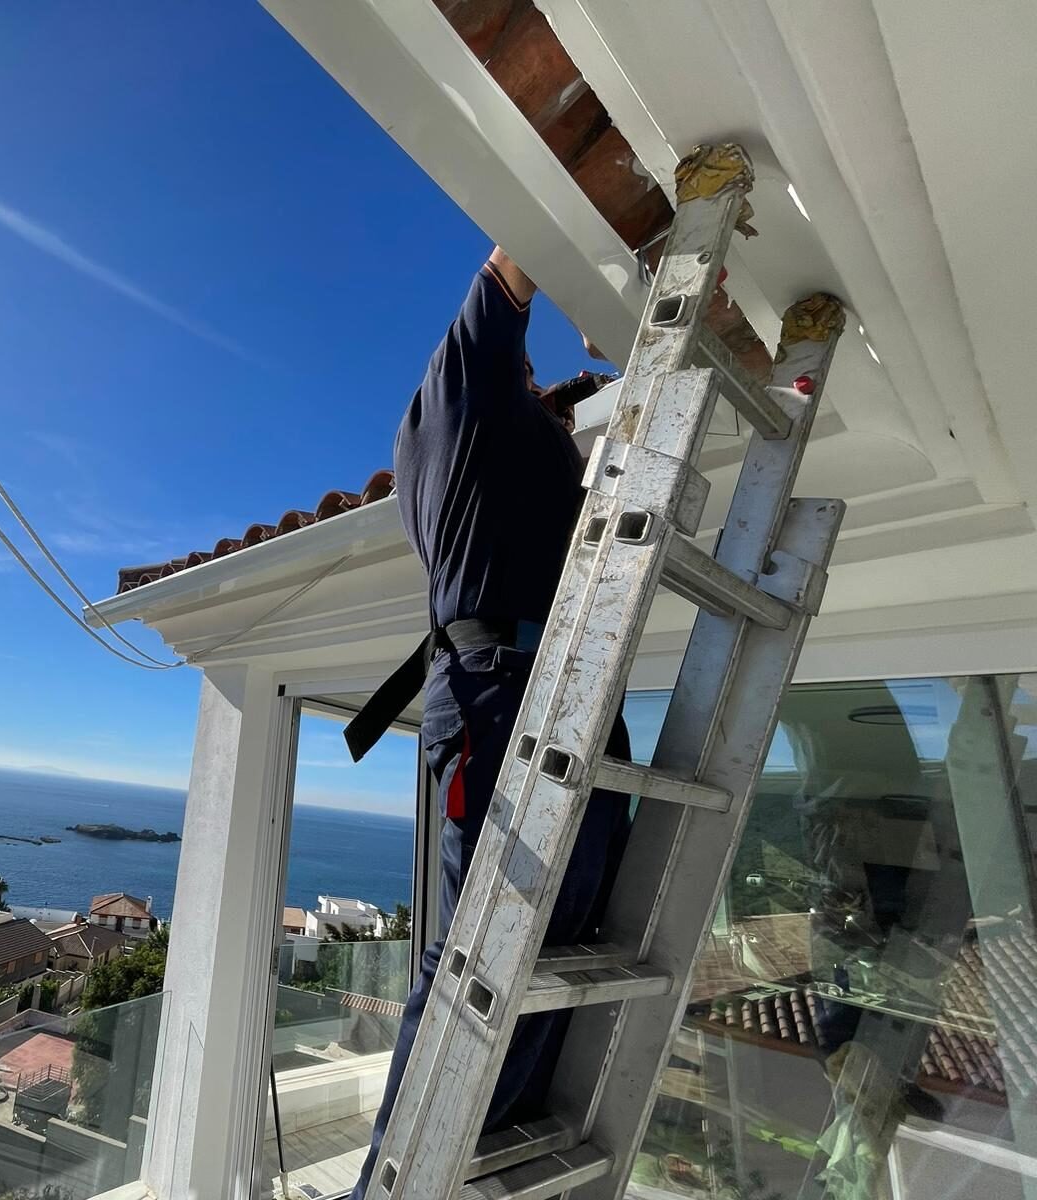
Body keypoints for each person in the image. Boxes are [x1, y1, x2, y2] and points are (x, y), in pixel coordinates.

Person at [343, 246, 632, 1199]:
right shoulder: (455, 390)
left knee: (557, 939)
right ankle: (401, 1174)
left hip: (540, 683)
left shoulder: (510, 438)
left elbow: (540, 468)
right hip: (501, 688)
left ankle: (469, 1148)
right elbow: (517, 255)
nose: (546, 382)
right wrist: (588, 264)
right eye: (535, 375)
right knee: (484, 942)